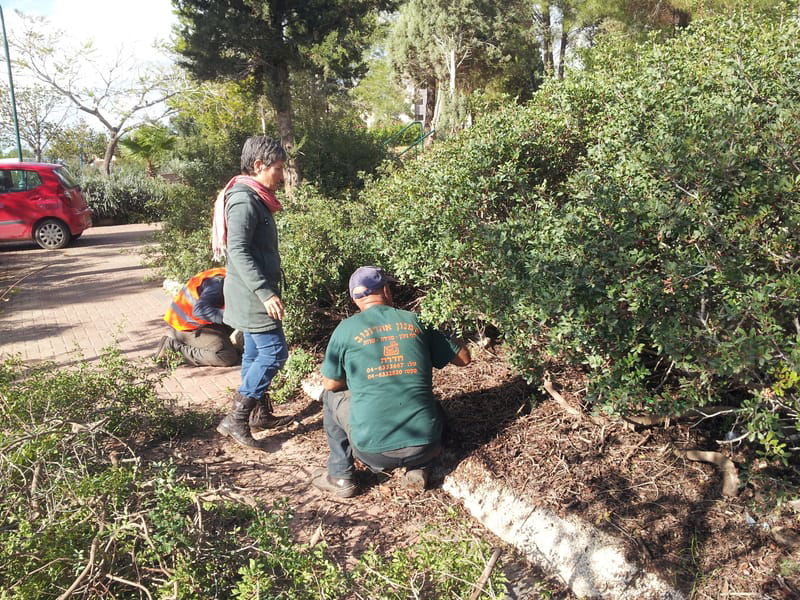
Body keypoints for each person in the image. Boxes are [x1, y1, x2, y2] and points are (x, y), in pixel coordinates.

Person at [309, 266, 471, 498]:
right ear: (386, 290)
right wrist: (440, 323)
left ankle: (340, 475)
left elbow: (331, 384)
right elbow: (464, 359)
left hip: (372, 451)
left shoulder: (345, 330)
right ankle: (419, 466)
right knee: (421, 396)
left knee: (330, 397)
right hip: (427, 445)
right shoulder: (416, 320)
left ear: (355, 300)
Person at [211, 136, 294, 448]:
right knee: (274, 352)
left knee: (257, 352)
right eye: (277, 168)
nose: (281, 175)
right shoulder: (245, 200)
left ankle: (258, 414)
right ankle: (236, 419)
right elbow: (239, 251)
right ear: (259, 166)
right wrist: (265, 293)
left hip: (250, 291)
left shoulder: (254, 195)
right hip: (251, 295)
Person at [155, 267, 241, 368]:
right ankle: (173, 347)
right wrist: (235, 318)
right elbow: (200, 311)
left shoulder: (232, 276)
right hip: (188, 325)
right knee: (226, 356)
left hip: (201, 320)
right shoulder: (218, 283)